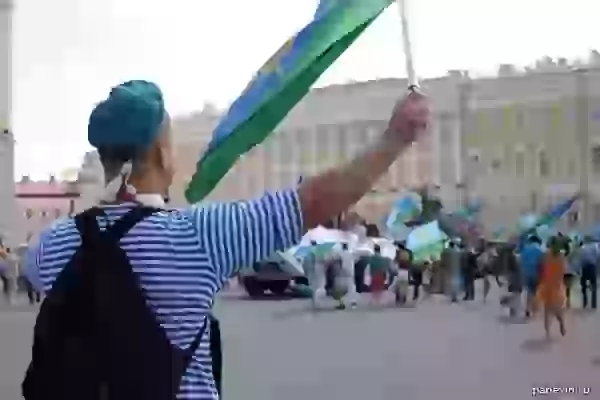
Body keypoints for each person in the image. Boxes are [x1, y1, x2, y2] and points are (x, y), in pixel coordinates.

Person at [23, 81, 429, 399]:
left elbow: (39, 274)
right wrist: (395, 138)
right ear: (163, 154)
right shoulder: (197, 237)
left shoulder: (50, 246)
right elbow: (314, 202)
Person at [538, 237, 567, 339]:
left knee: (552, 309)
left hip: (551, 285)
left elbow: (541, 269)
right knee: (551, 309)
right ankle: (549, 331)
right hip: (552, 285)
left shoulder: (547, 255)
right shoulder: (558, 256)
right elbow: (563, 271)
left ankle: (557, 327)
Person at [520, 235, 544, 317]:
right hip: (537, 273)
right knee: (536, 291)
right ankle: (535, 309)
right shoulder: (540, 251)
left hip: (526, 273)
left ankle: (527, 308)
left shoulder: (525, 250)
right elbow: (543, 264)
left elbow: (521, 261)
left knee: (529, 291)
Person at [579, 239, 598, 310]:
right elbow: (597, 256)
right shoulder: (594, 247)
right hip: (592, 267)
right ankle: (594, 304)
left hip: (585, 268)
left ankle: (585, 302)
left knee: (583, 285)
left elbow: (580, 259)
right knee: (594, 285)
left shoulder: (582, 248)